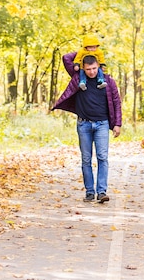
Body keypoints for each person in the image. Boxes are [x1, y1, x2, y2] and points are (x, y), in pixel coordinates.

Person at [53, 52, 122, 203]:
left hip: (102, 124)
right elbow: (66, 58)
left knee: (102, 157)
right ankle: (90, 191)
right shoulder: (78, 78)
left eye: (94, 68)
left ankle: (102, 191)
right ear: (83, 68)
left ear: (99, 66)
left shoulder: (108, 81)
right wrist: (85, 51)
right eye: (88, 69)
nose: (92, 71)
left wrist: (117, 124)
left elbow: (116, 102)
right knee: (86, 159)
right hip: (83, 124)